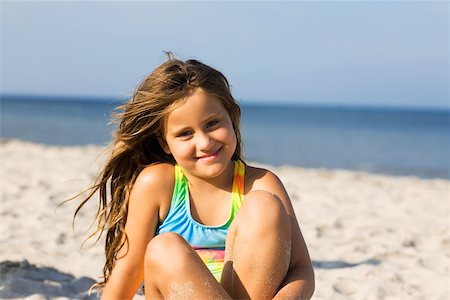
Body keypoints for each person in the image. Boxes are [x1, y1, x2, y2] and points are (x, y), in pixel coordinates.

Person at [75, 53, 314, 299]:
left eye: (212, 124)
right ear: (165, 143)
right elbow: (127, 271)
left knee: (265, 206)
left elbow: (301, 270)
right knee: (163, 248)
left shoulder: (261, 184)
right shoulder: (157, 184)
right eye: (185, 134)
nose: (204, 142)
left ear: (233, 119)